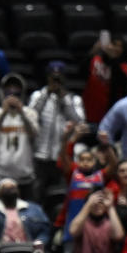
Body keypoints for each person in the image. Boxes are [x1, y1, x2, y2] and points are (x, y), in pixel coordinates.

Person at [29, 61, 85, 195]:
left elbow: (79, 122)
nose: (56, 81)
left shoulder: (74, 100)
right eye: (53, 77)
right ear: (47, 78)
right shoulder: (38, 96)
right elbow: (30, 116)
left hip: (61, 156)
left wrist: (64, 99)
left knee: (58, 194)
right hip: (39, 155)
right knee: (36, 193)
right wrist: (46, 94)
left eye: (59, 78)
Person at [0, 75, 40, 197]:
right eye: (9, 89)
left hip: (24, 174)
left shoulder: (30, 113)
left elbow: (34, 133)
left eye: (16, 89)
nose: (12, 92)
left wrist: (22, 113)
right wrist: (3, 113)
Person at [0, 177, 51, 253]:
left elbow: (45, 231)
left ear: (18, 191)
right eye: (5, 188)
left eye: (12, 188)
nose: (9, 190)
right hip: (0, 250)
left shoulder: (34, 209)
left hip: (30, 247)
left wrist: (37, 244)